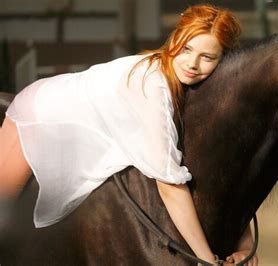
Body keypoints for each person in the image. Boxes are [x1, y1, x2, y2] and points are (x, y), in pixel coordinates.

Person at [0, 4, 257, 265]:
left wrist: (244, 243)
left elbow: (223, 174)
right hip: (43, 111)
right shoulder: (152, 85)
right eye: (186, 48)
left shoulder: (197, 85)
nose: (192, 63)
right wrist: (206, 260)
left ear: (223, 59)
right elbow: (169, 185)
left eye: (207, 57)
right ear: (175, 38)